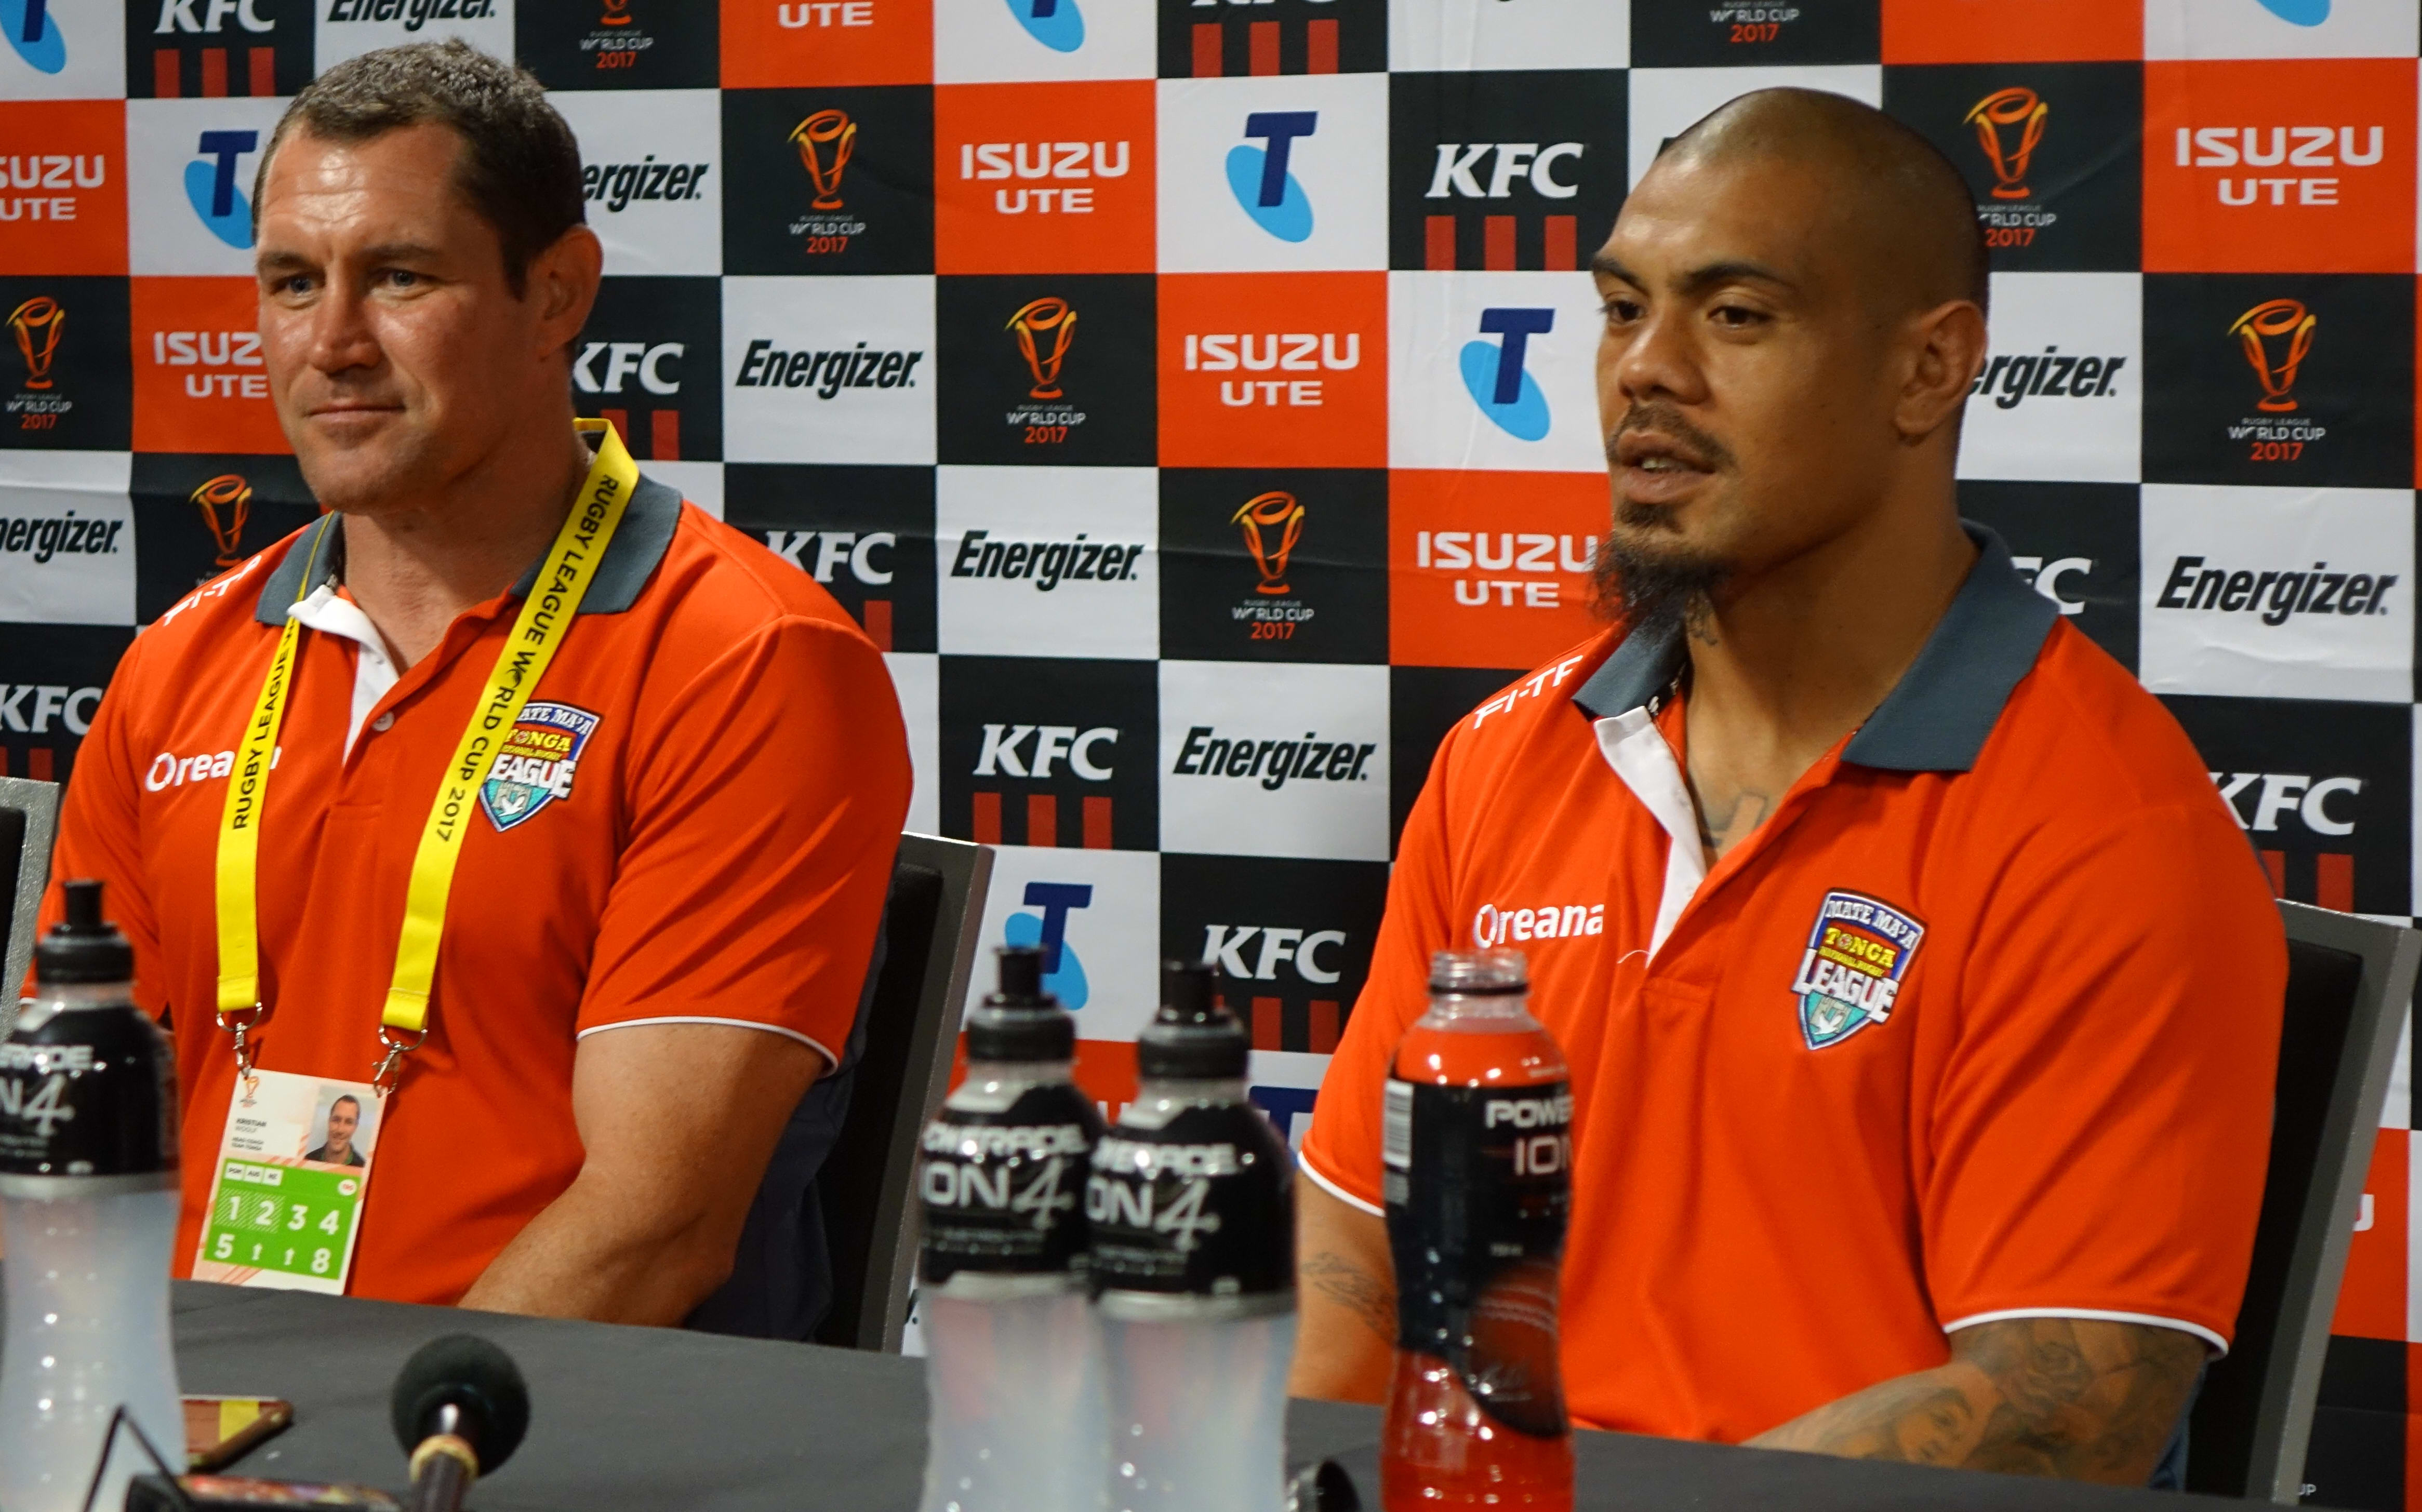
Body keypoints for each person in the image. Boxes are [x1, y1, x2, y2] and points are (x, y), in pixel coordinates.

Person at [1290, 89, 2285, 1486]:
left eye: (1734, 315)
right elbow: (1357, 1252)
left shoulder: (2103, 825)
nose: (1646, 369)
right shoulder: (1504, 754)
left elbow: (2060, 1407)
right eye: (1621, 308)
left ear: (1926, 370)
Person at [42, 41, 911, 1329]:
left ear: (558, 292)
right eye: (292, 282)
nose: (331, 342)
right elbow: (61, 1139)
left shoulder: (748, 656)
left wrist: (367, 1452)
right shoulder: (180, 659)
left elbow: (651, 1227)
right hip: (177, 1412)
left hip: (498, 1442)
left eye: (398, 277)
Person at [303, 1094, 366, 1167]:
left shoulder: (363, 1169)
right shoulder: (306, 1161)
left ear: (356, 1127)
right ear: (329, 1121)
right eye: (336, 1120)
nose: (340, 1130)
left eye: (349, 1122)